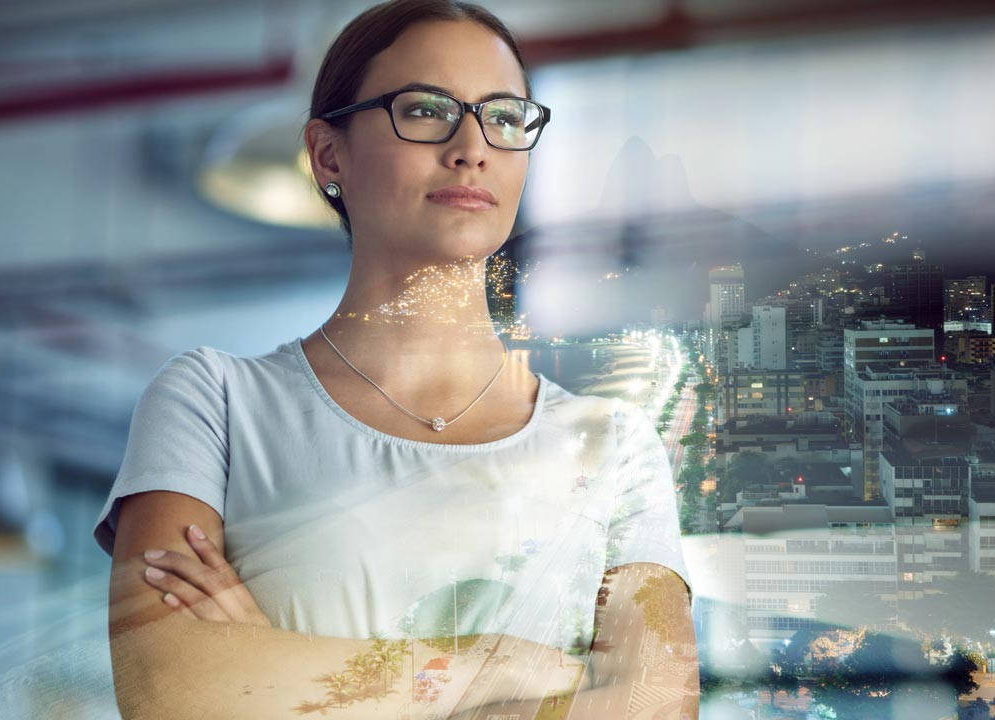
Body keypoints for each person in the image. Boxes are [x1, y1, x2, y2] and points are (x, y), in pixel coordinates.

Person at [94, 1, 697, 718]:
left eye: (503, 117)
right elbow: (173, 692)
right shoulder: (215, 402)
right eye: (424, 109)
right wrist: (497, 666)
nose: (472, 146)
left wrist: (278, 672)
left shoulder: (615, 449)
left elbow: (657, 710)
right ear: (328, 154)